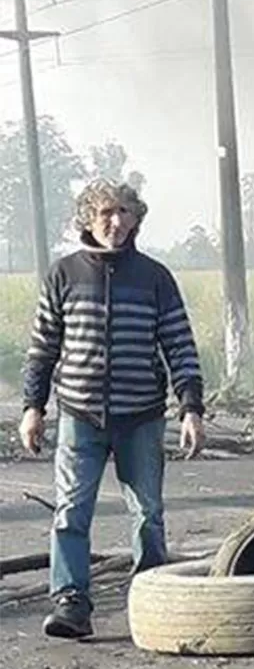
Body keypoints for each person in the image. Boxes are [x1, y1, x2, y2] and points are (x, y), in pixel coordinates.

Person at [19, 179, 206, 640]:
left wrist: (191, 408)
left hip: (140, 415)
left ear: (136, 219)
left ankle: (151, 597)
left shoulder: (154, 277)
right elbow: (43, 348)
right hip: (79, 415)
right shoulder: (64, 274)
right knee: (70, 511)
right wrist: (33, 407)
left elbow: (179, 345)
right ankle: (70, 602)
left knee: (147, 513)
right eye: (106, 212)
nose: (116, 222)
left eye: (125, 213)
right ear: (88, 218)